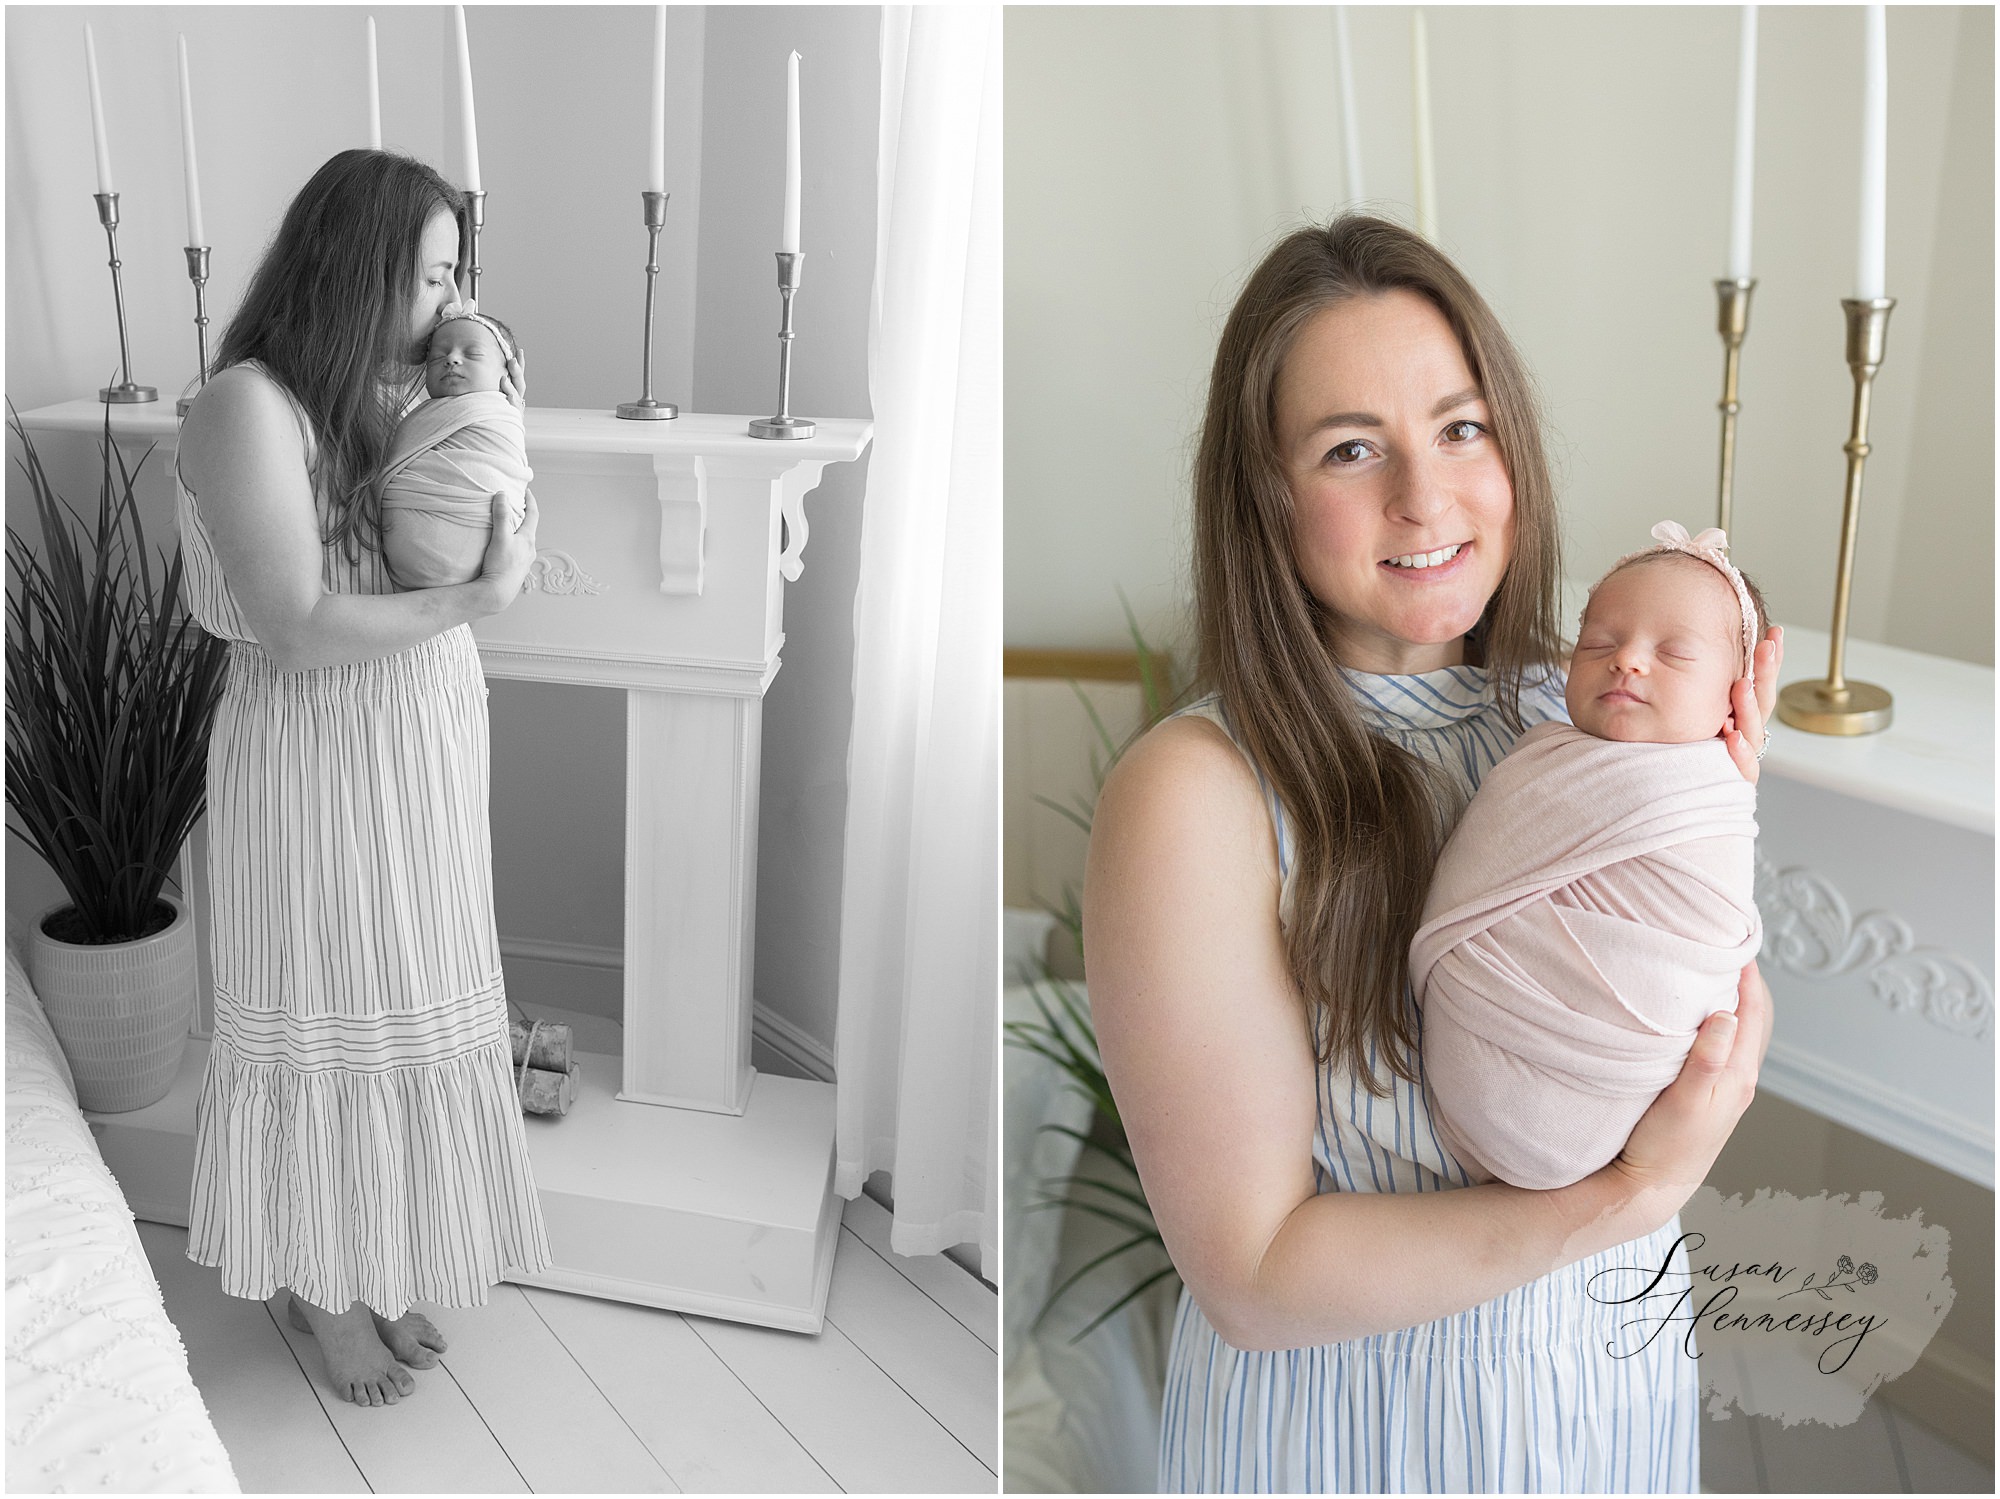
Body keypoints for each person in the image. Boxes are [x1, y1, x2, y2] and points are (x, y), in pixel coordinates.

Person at [1084, 216, 1781, 1491]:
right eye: (1351, 449)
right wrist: (1626, 1199)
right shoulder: (1197, 791)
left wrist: (1706, 795)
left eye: (1459, 427)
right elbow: (1252, 1271)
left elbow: (1678, 1004)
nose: (1424, 495)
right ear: (1264, 496)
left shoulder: (1570, 718)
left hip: (1606, 1398)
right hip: (1361, 1439)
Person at [174, 149, 550, 1409]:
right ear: (363, 262)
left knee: (404, 993)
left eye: (457, 276)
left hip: (415, 744)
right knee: (323, 994)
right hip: (314, 749)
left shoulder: (380, 401)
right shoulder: (247, 404)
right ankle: (317, 1289)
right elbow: (291, 621)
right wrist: (478, 596)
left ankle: (372, 1255)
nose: (448, 301)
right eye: (434, 271)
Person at [1412, 522, 1771, 1193]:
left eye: (1674, 654)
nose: (1626, 660)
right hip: (1481, 1056)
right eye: (1600, 641)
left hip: (1613, 1080)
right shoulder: (1543, 741)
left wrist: (1728, 785)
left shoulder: (1712, 795)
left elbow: (1706, 936)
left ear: (1735, 695)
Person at [380, 304, 534, 590]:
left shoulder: (501, 415)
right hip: (408, 561)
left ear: (508, 375)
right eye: (437, 357)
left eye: (472, 354)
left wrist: (513, 410)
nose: (451, 359)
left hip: (477, 536)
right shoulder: (417, 412)